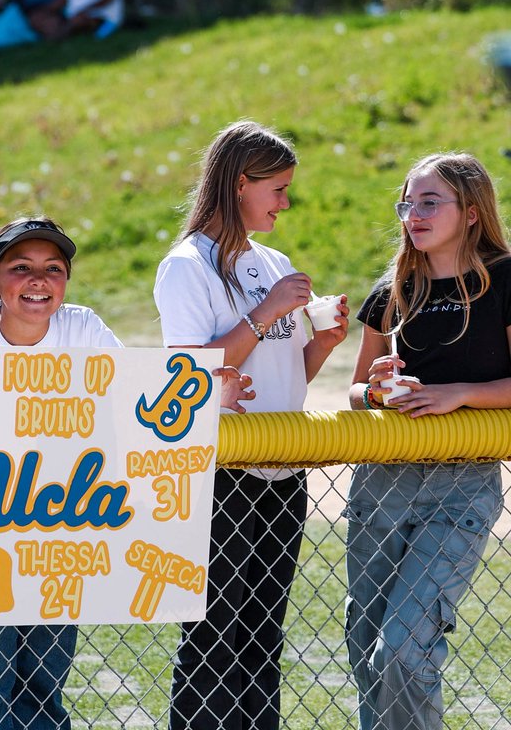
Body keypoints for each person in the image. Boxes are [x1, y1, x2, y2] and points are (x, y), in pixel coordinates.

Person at [153, 119, 348, 730]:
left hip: (285, 474)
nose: (286, 202)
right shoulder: (187, 265)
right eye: (279, 189)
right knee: (213, 641)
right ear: (241, 183)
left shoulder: (273, 260)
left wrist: (324, 342)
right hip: (220, 475)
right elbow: (189, 375)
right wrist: (266, 312)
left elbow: (288, 378)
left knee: (264, 641)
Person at [0, 216, 122, 730]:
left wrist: (208, 397)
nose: (38, 281)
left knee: (44, 681)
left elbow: (137, 402)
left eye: (52, 269)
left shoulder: (83, 329)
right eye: (21, 268)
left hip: (58, 535)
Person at [345, 152, 511, 730]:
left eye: (429, 202)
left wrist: (458, 393)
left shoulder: (505, 279)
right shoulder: (392, 290)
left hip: (462, 486)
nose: (413, 214)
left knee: (402, 650)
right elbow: (355, 392)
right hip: (380, 487)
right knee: (368, 655)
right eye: (407, 203)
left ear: (471, 212)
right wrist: (379, 391)